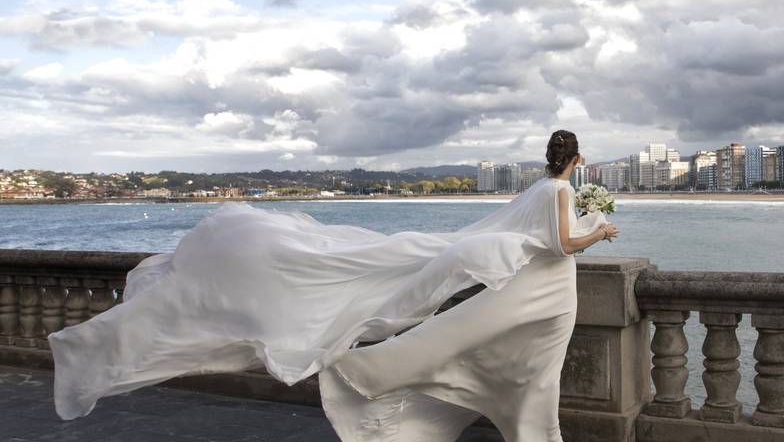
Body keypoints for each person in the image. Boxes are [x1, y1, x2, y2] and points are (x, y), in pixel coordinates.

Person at [48, 129, 619, 442]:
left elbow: (537, 233)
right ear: (577, 158)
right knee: (529, 368)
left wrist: (584, 226)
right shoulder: (561, 192)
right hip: (549, 286)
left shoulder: (536, 189)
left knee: (527, 367)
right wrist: (601, 229)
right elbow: (560, 244)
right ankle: (367, 377)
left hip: (546, 291)